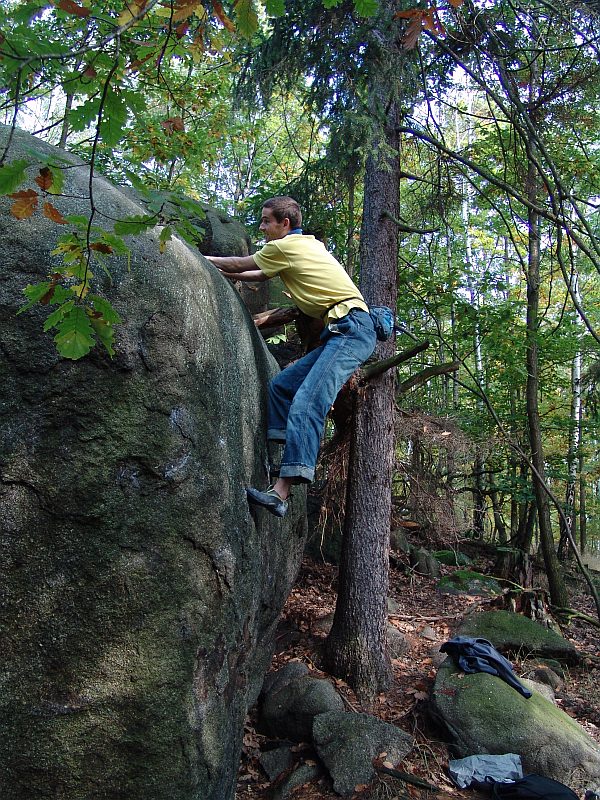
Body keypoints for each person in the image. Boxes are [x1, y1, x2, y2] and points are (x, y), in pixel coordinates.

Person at [206, 196, 376, 518]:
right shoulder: (305, 245)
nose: (262, 226)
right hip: (345, 330)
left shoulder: (285, 247)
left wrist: (200, 259)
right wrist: (230, 274)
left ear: (285, 224)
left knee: (309, 401)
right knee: (282, 387)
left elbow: (243, 265)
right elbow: (258, 274)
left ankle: (280, 493)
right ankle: (277, 460)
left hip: (350, 329)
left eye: (267, 220)